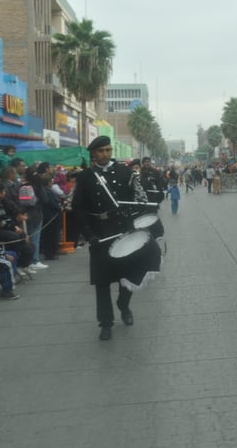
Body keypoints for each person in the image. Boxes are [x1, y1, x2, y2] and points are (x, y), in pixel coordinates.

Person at [72, 136, 152, 340]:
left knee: (129, 276)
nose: (105, 154)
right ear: (93, 153)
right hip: (99, 232)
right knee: (102, 281)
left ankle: (123, 305)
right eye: (101, 151)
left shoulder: (126, 172)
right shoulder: (85, 177)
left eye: (108, 150)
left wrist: (133, 218)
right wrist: (88, 234)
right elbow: (78, 208)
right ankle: (105, 322)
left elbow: (140, 201)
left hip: (123, 230)